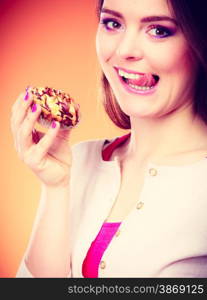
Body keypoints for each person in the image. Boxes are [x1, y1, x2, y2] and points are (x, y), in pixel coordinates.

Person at [11, 0, 207, 278]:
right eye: (113, 23)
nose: (124, 50)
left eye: (159, 30)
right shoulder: (77, 161)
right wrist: (55, 188)